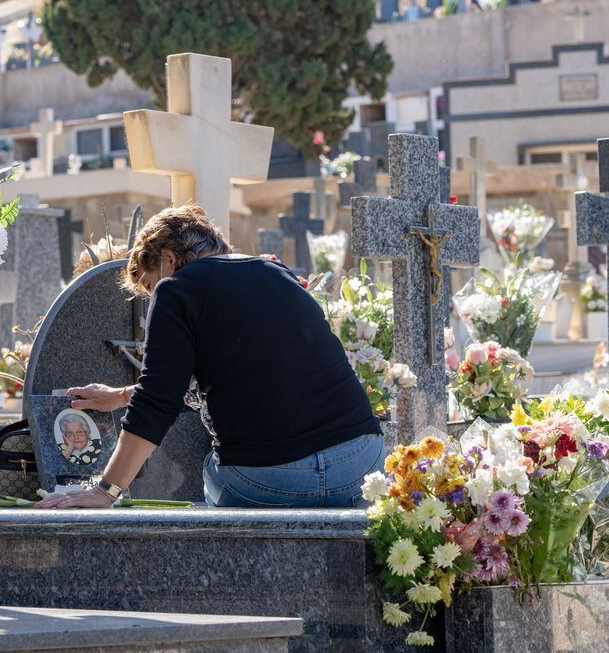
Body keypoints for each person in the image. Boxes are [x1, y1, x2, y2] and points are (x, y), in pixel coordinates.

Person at [36, 204, 383, 509]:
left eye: (149, 285)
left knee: (212, 471)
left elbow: (159, 401)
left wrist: (105, 491)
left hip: (267, 481)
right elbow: (249, 375)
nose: (151, 298)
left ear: (167, 259)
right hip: (361, 467)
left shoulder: (175, 289)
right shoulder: (277, 272)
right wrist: (120, 396)